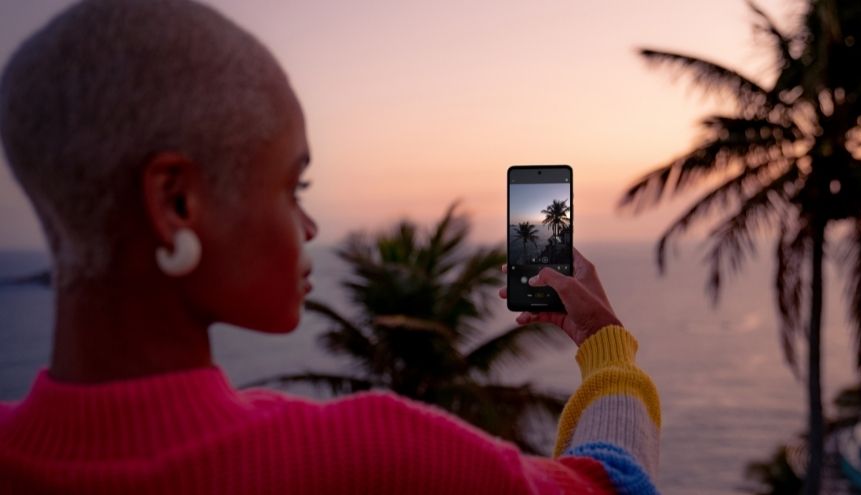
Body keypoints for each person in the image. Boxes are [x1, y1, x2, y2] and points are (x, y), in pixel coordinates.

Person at [0, 1, 660, 493]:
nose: (310, 227)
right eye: (294, 187)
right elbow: (610, 486)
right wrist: (603, 342)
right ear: (176, 205)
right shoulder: (364, 455)